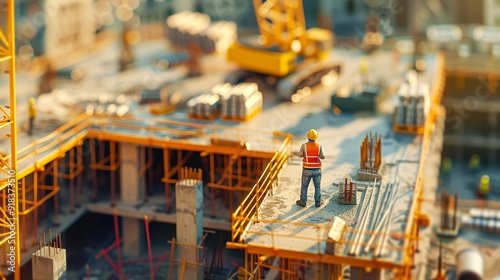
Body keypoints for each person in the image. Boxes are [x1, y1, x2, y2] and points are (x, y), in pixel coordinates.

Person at [296, 129, 325, 207]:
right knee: (317, 186)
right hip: (317, 170)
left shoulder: (304, 146)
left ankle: (303, 201)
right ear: (316, 137)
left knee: (304, 186)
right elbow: (323, 156)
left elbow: (299, 155)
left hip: (307, 170)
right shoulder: (319, 146)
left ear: (308, 136)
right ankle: (318, 202)